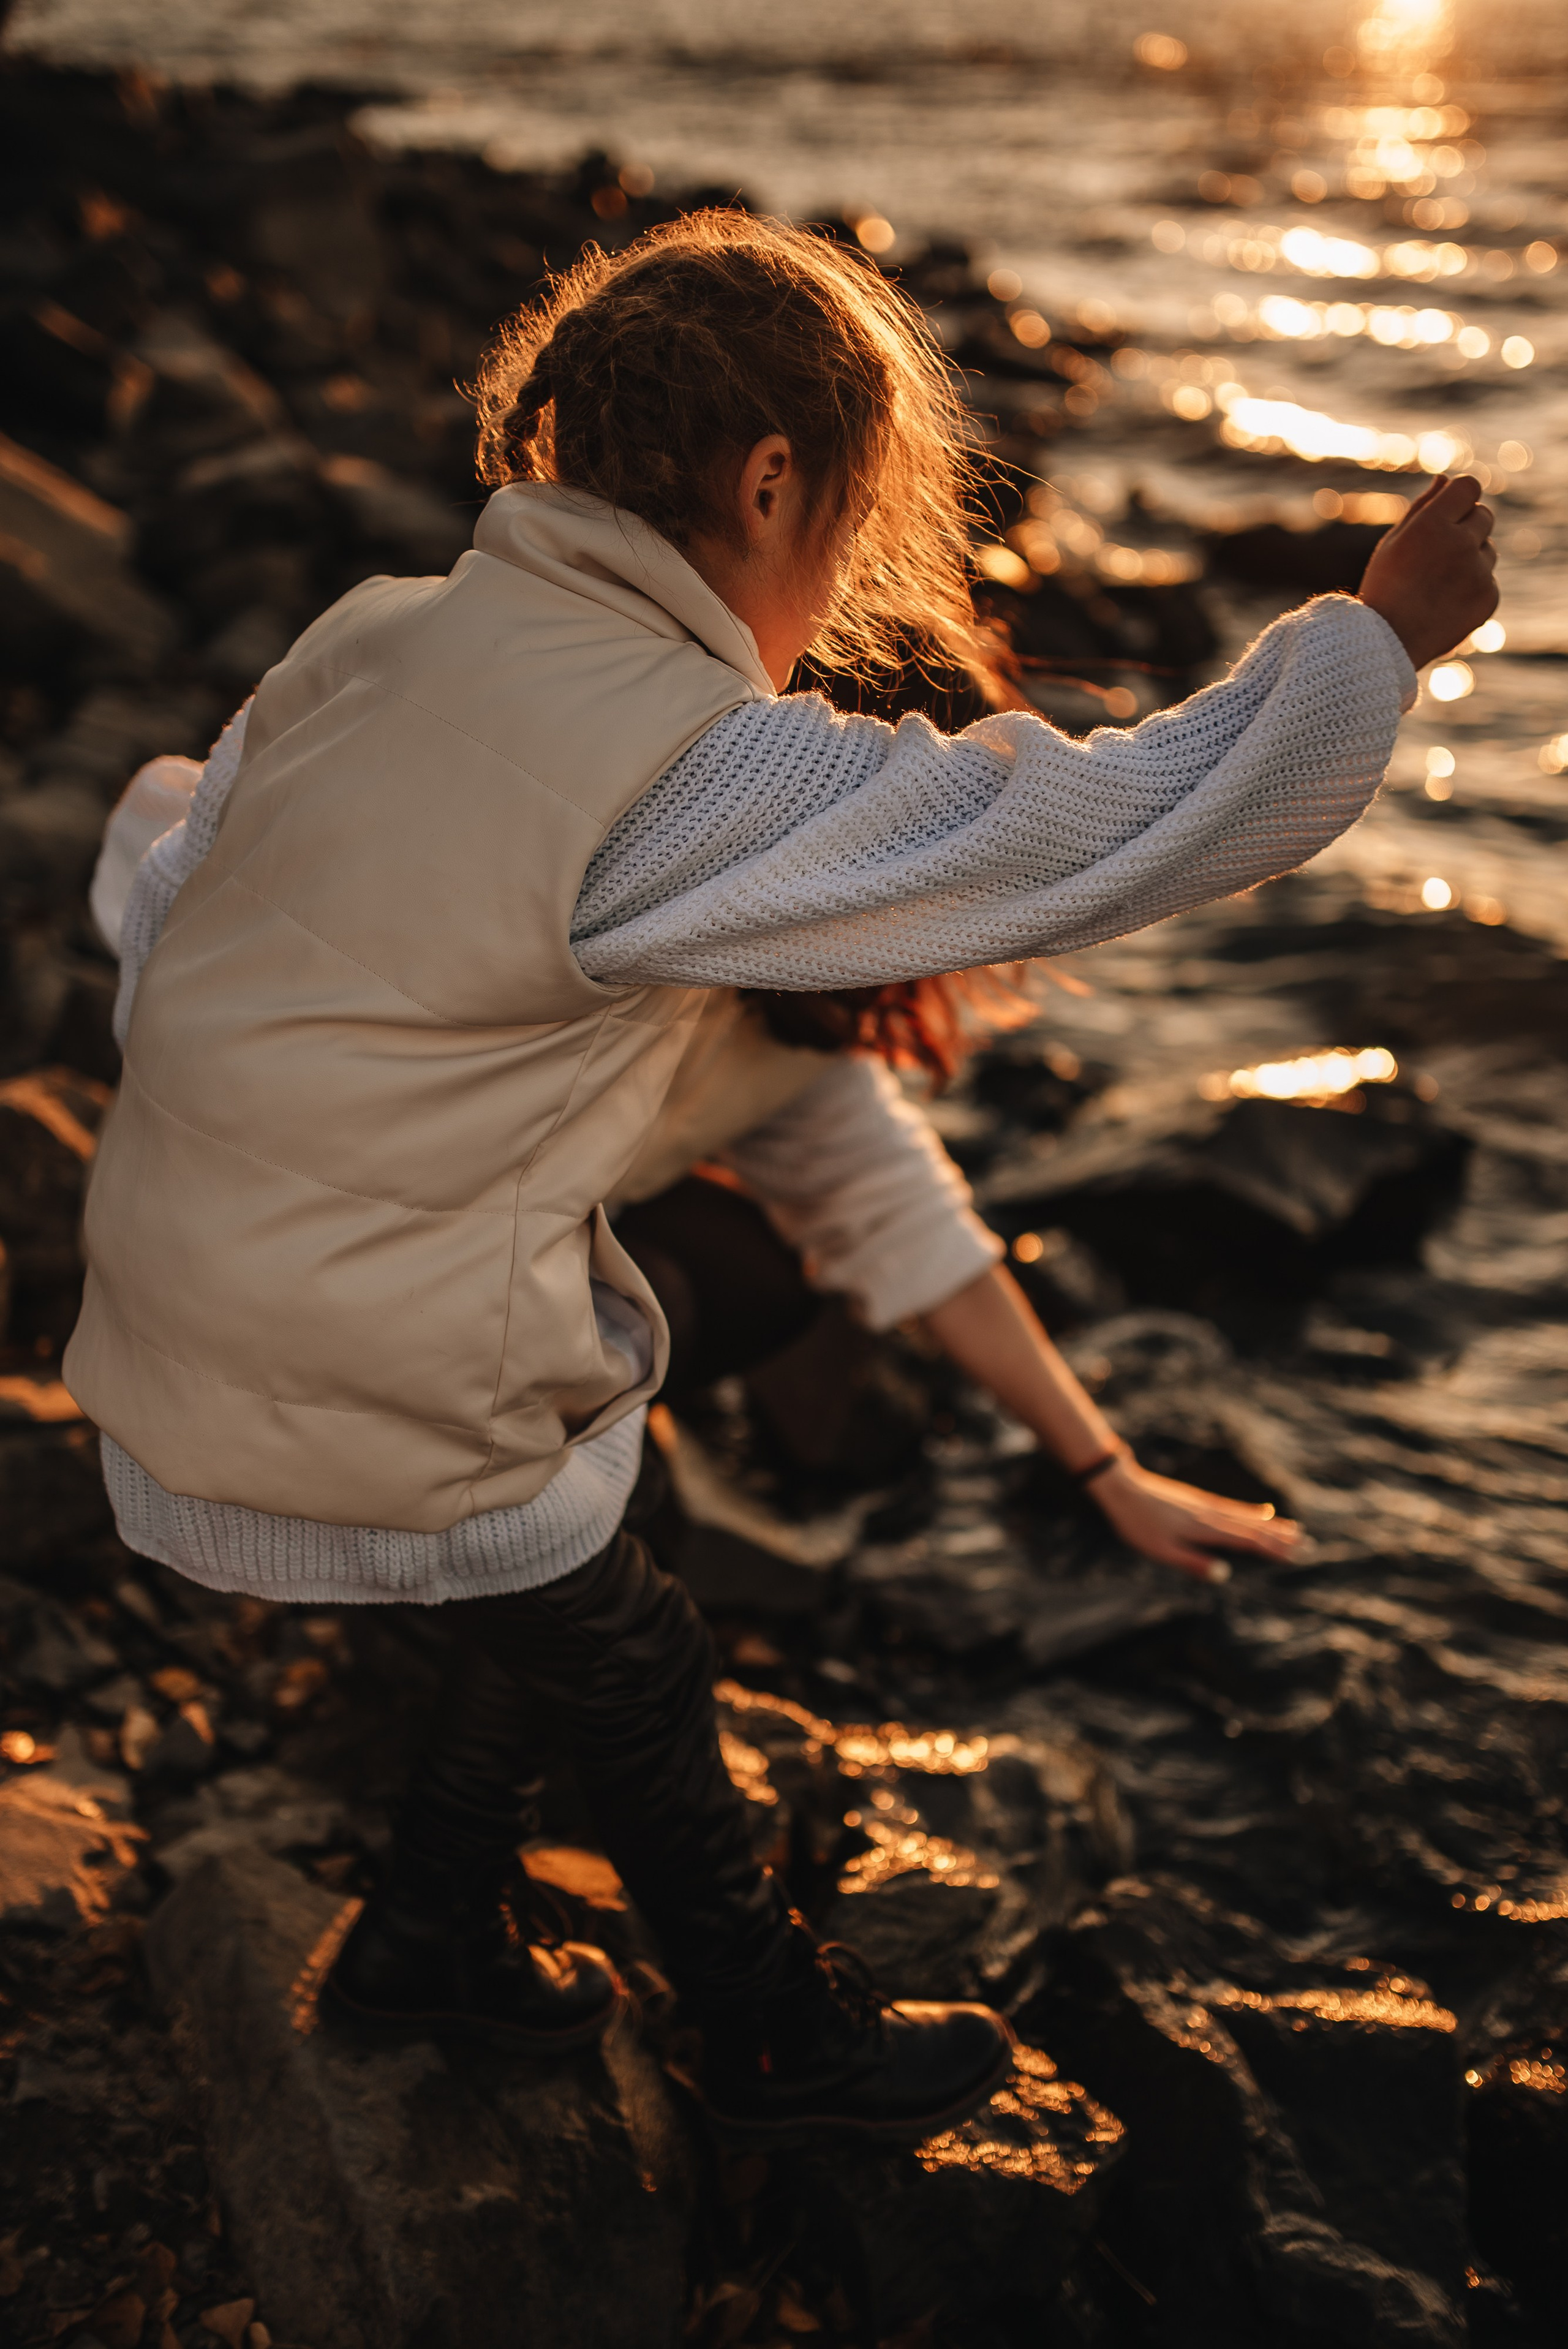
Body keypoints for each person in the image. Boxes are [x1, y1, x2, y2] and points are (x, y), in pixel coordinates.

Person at [68, 211, 1496, 2143]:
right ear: (764, 482)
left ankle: (425, 1924)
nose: (831, 594)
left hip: (155, 1320)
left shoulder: (372, 634)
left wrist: (1098, 1467)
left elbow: (164, 869)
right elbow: (1072, 824)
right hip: (342, 1361)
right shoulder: (680, 759)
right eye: (841, 526)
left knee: (573, 1545)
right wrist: (1373, 643)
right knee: (635, 1646)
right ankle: (778, 2043)